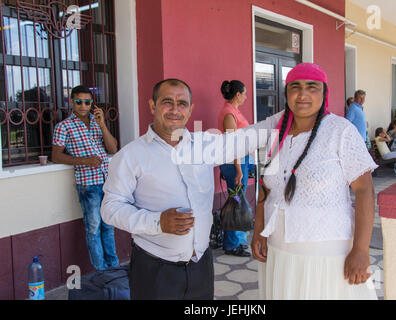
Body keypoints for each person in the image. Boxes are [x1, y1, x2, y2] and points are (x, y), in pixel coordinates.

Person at [100, 79, 282, 300]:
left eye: (182, 103)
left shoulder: (204, 144)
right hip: (155, 268)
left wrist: (296, 107)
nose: (175, 110)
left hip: (200, 265)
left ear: (190, 109)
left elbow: (250, 137)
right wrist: (157, 221)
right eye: (167, 102)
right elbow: (110, 208)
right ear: (152, 106)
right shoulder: (130, 156)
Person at [251, 63, 379, 300]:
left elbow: (364, 191)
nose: (303, 95)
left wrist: (361, 249)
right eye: (295, 87)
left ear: (324, 93)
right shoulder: (274, 135)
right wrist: (259, 230)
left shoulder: (341, 131)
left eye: (312, 87)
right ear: (286, 93)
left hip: (326, 254)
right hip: (279, 250)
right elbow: (266, 188)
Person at [52, 85, 119, 271]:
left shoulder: (97, 122)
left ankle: (113, 268)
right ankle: (101, 271)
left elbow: (113, 149)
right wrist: (84, 161)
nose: (83, 105)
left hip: (107, 181)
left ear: (92, 104)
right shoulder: (64, 126)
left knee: (109, 225)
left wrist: (103, 124)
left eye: (87, 102)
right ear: (71, 102)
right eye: (79, 101)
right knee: (94, 228)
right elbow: (56, 156)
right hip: (88, 184)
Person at [218, 80, 252, 257]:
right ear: (238, 94)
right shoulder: (229, 113)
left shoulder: (234, 111)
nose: (246, 97)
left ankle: (236, 241)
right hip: (234, 163)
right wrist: (239, 169)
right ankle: (232, 244)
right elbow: (232, 145)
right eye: (245, 93)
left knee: (238, 199)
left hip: (241, 161)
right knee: (236, 201)